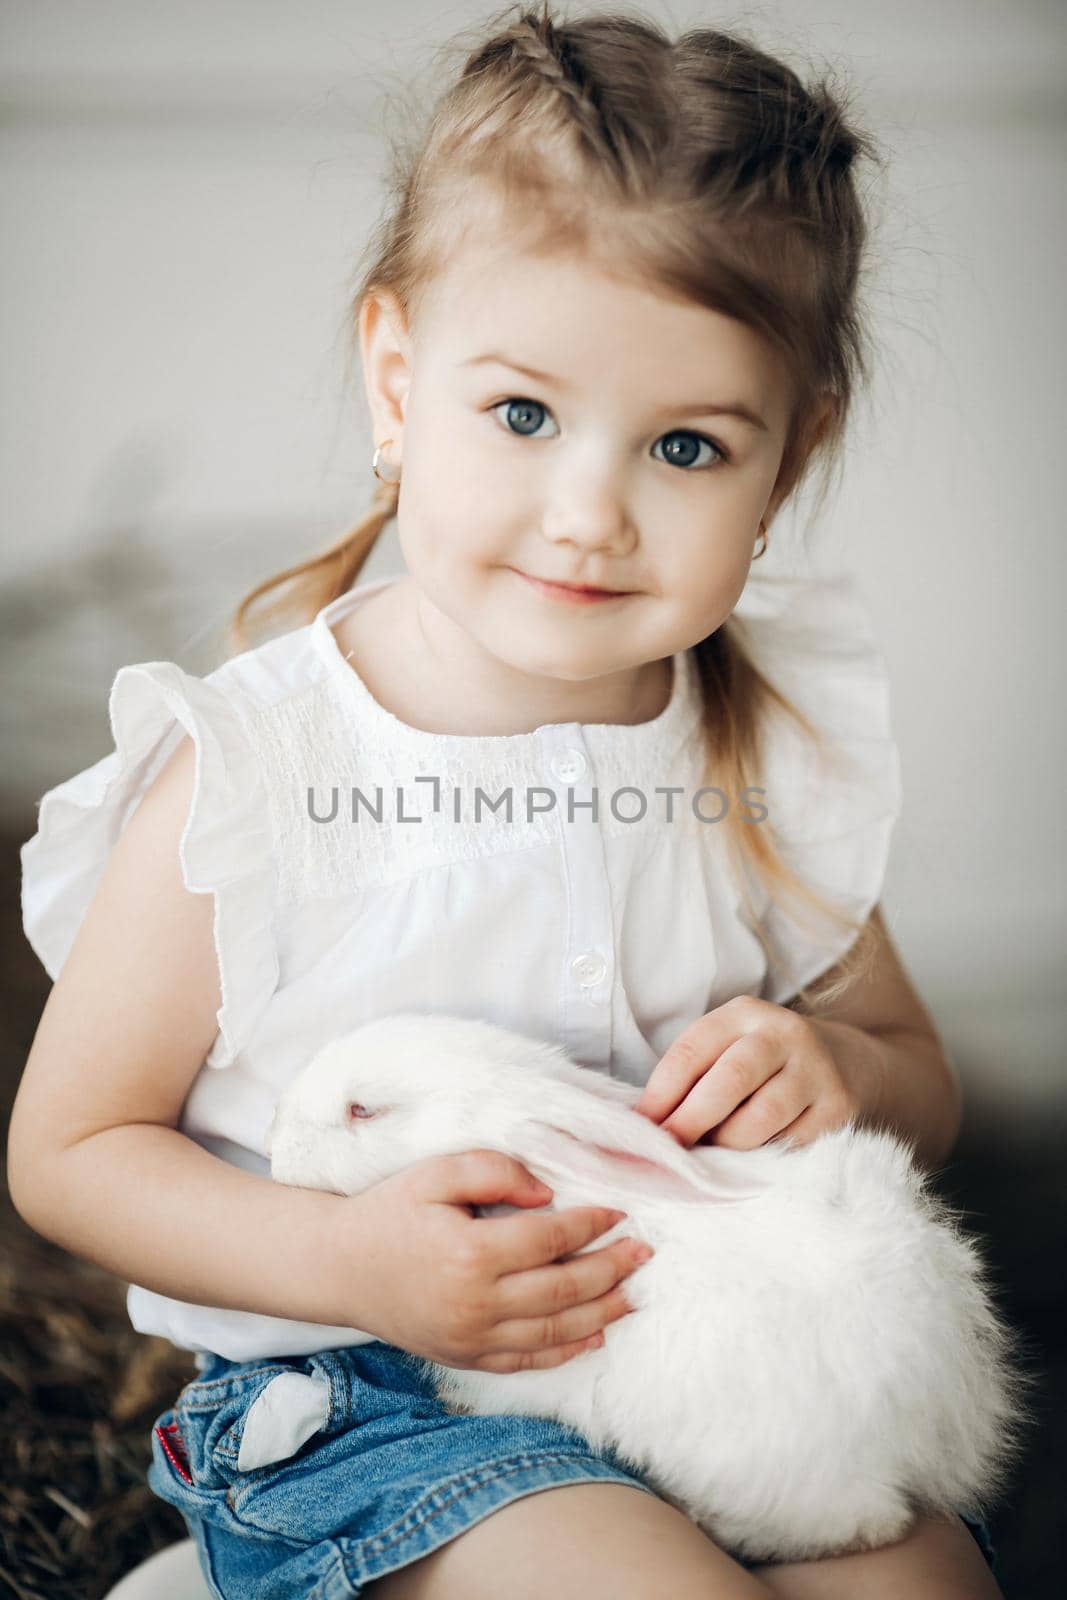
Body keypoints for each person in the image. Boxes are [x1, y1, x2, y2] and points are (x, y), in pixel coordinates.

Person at [8, 5, 1006, 1597]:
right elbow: (70, 1147)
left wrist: (830, 1064)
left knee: (925, 1574)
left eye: (686, 444)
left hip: (709, 1369)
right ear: (397, 385)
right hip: (365, 1396)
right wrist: (349, 1261)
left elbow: (921, 1083)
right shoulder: (261, 773)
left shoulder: (757, 757)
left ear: (788, 466)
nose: (590, 512)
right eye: (525, 415)